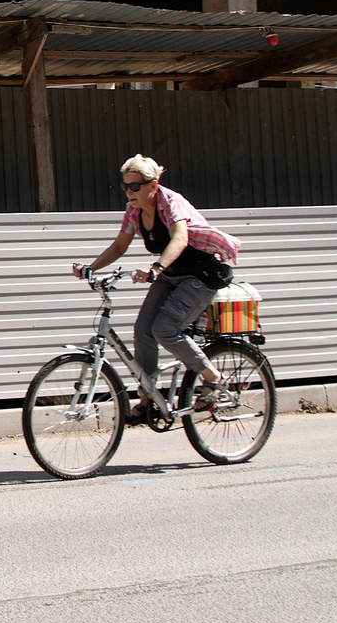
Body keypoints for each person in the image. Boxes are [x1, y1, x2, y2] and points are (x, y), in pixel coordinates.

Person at [73, 153, 241, 423]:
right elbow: (119, 246)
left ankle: (213, 378)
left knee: (164, 329)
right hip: (171, 273)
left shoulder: (170, 202)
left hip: (200, 274)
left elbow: (180, 239)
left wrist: (156, 268)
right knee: (143, 330)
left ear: (153, 185)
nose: (129, 192)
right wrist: (91, 268)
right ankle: (149, 397)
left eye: (135, 186)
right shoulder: (134, 210)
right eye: (126, 186)